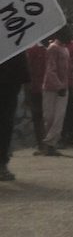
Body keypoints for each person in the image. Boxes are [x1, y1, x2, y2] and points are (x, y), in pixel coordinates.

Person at [41, 31, 73, 152]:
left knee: (59, 118)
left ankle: (50, 144)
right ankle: (49, 144)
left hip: (63, 88)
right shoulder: (53, 48)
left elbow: (69, 71)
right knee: (49, 117)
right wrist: (59, 86)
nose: (70, 35)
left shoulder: (65, 50)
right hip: (51, 88)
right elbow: (51, 69)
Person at [0, 52, 30, 180]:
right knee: (5, 125)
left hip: (9, 87)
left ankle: (1, 164)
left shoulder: (14, 41)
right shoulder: (14, 38)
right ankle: (1, 165)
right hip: (9, 86)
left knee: (5, 125)